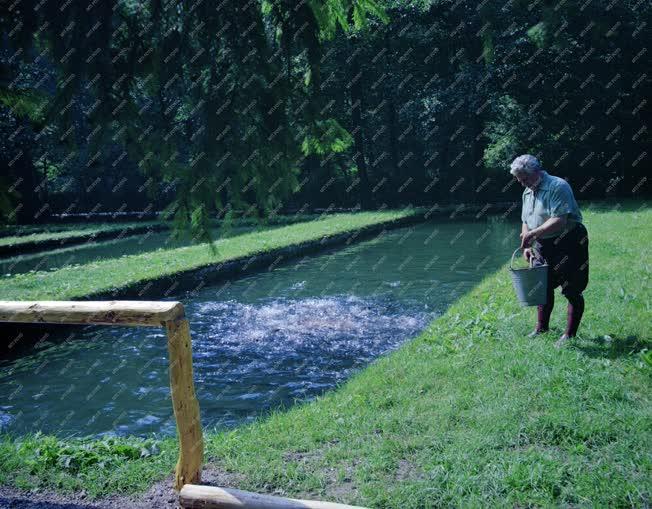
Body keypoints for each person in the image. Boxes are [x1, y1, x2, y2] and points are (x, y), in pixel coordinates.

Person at [510, 154, 589, 347]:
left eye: (525, 178)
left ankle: (569, 335)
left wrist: (533, 234)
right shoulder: (527, 191)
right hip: (543, 243)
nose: (522, 183)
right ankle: (541, 328)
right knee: (541, 286)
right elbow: (525, 221)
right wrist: (527, 243)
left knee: (571, 288)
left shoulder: (558, 186)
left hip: (569, 240)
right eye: (519, 180)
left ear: (536, 172)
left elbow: (559, 219)